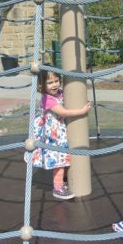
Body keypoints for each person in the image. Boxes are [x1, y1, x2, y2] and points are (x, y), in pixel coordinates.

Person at [29, 70, 91, 200]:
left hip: (60, 131)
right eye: (50, 82)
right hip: (53, 135)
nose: (54, 85)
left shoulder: (59, 94)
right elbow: (63, 112)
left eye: (56, 81)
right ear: (41, 85)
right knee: (59, 160)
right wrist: (81, 110)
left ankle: (63, 181)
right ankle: (58, 188)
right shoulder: (48, 99)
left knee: (64, 157)